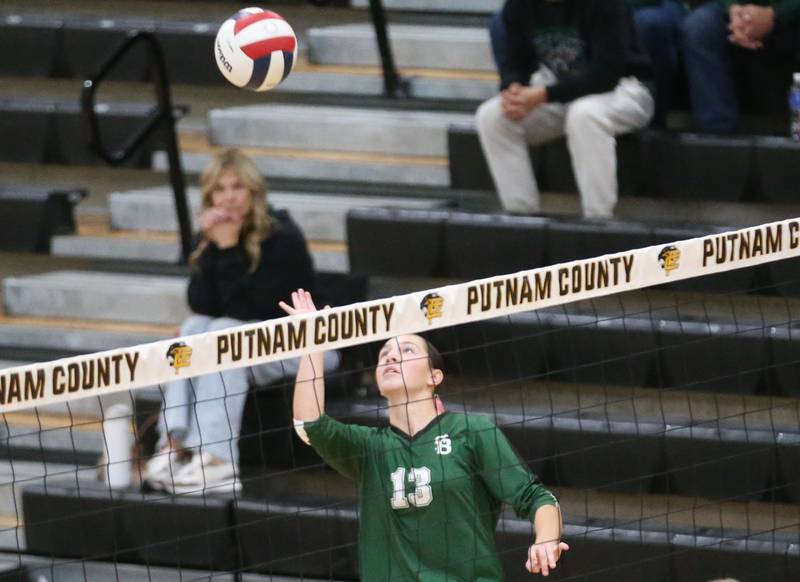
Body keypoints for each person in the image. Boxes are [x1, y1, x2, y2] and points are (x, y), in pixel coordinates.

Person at [281, 289, 568, 580]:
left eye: (407, 350)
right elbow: (309, 423)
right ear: (379, 385)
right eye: (384, 355)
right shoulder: (370, 448)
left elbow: (537, 498)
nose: (392, 356)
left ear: (435, 377)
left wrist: (546, 540)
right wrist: (312, 343)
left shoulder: (471, 432)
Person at [143, 149, 339, 494]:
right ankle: (173, 446)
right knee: (194, 328)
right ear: (209, 197)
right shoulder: (213, 236)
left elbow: (253, 309)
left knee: (225, 332)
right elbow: (201, 302)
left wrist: (229, 247)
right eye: (219, 189)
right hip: (247, 343)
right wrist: (217, 247)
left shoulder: (283, 237)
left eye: (237, 187)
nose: (229, 197)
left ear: (253, 192)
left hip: (306, 342)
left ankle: (219, 461)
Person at [477, 0, 654, 219]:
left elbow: (605, 76)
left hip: (626, 89)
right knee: (492, 117)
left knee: (585, 115)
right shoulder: (518, 5)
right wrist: (513, 89)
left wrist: (543, 95)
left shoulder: (607, 5)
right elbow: (515, 62)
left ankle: (598, 220)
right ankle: (521, 218)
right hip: (562, 89)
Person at [683, 0, 800, 133]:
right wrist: (734, 9)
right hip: (738, 12)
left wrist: (775, 14)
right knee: (701, 26)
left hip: (793, 13)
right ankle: (717, 136)